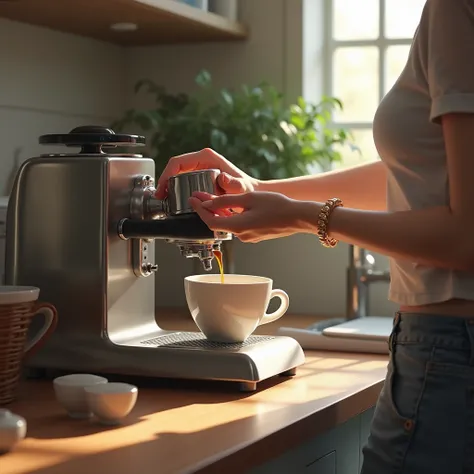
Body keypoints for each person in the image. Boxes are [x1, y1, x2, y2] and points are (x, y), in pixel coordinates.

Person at [156, 0, 474, 472]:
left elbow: (464, 236)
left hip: (450, 353)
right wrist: (263, 191)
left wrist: (305, 218)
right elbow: (423, 171)